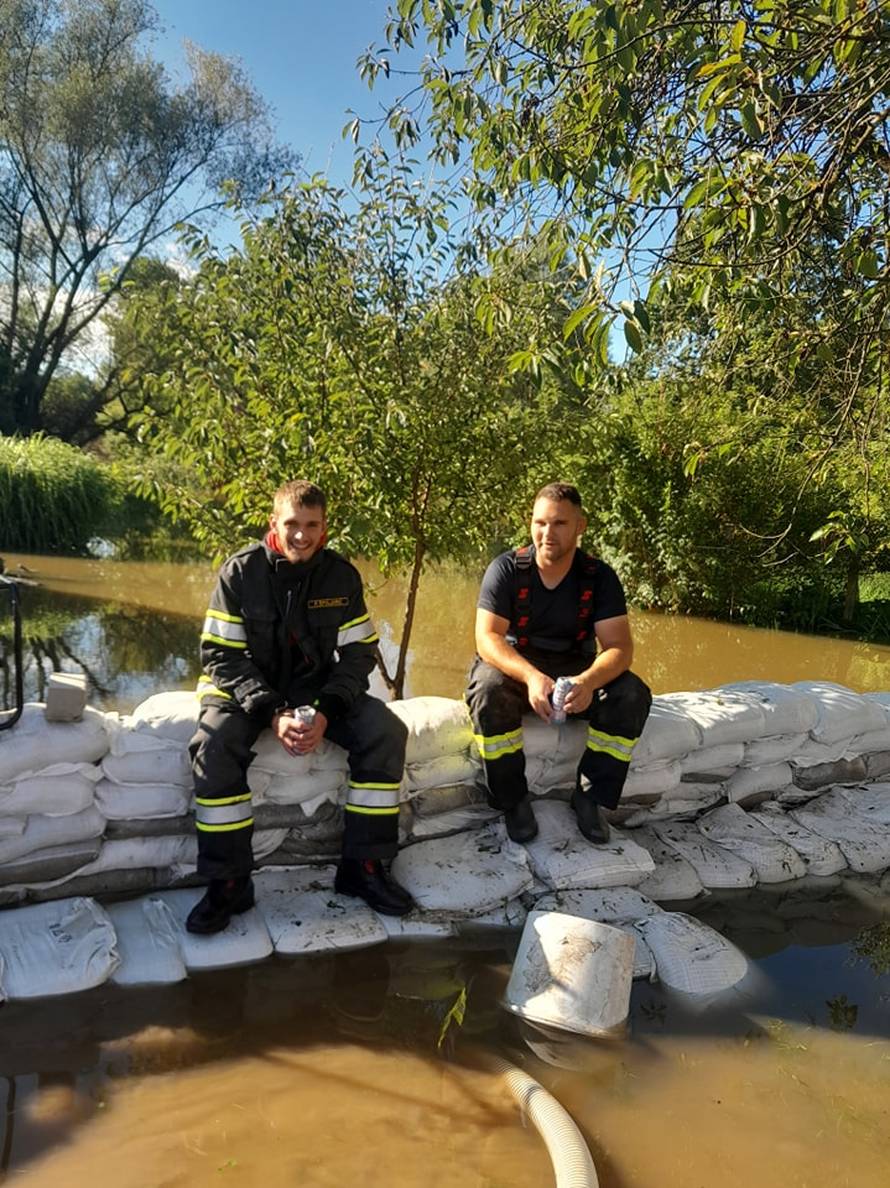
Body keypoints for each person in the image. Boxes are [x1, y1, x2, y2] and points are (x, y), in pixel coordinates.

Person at [186, 479, 413, 934]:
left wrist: (327, 708)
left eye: (312, 525)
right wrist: (272, 711)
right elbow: (220, 656)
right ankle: (228, 882)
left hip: (315, 691)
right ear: (274, 523)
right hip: (242, 691)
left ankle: (363, 868)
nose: (301, 536)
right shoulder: (239, 573)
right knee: (213, 749)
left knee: (385, 732)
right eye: (292, 524)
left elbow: (358, 653)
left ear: (325, 527)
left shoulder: (340, 575)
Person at [466, 482, 652, 845]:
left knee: (630, 694)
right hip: (520, 669)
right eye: (540, 523)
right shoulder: (506, 569)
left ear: (580, 526)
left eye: (559, 524)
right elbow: (487, 638)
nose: (546, 533)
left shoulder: (599, 578)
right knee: (487, 690)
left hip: (575, 671)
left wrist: (588, 682)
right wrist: (531, 677)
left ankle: (590, 795)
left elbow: (619, 647)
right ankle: (512, 799)